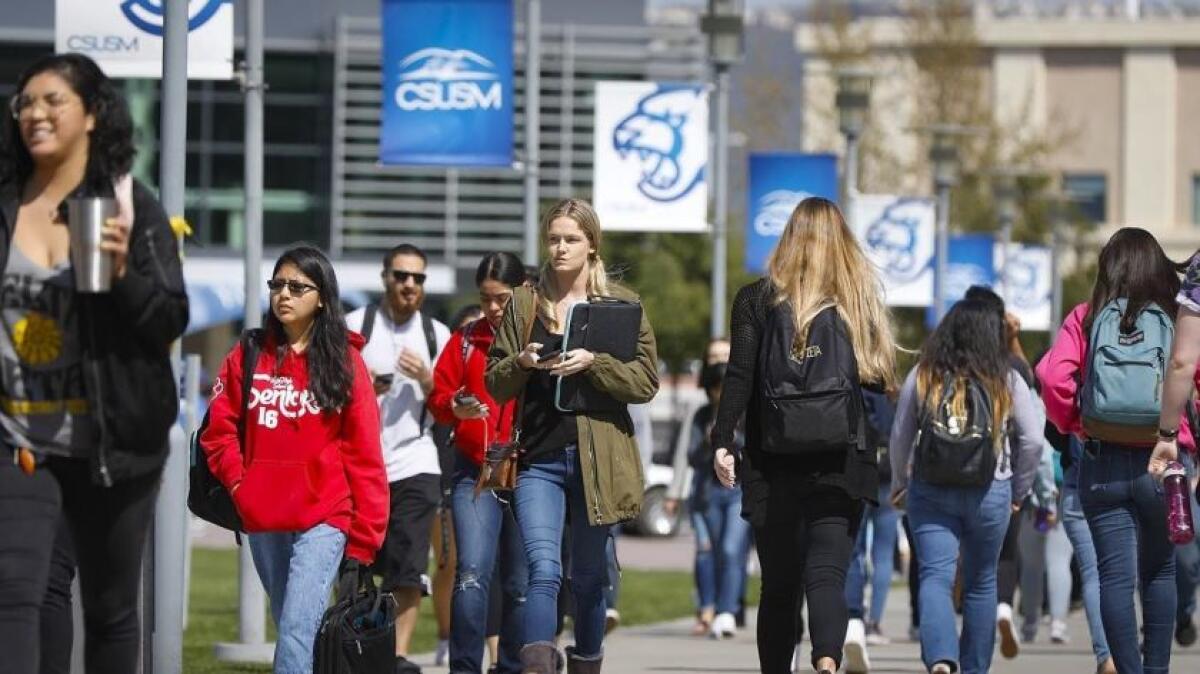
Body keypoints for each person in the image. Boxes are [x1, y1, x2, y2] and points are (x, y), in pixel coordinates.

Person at [0, 53, 188, 674]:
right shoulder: (5, 206)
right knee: (17, 594)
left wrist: (124, 275)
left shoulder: (130, 205)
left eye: (53, 100)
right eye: (26, 102)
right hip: (19, 439)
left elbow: (169, 318)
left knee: (109, 610)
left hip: (114, 441)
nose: (35, 113)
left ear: (91, 114)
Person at [712, 197, 899, 674]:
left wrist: (721, 440)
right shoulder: (857, 297)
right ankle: (827, 664)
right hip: (841, 457)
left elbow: (739, 375)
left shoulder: (756, 299)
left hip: (771, 459)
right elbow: (880, 376)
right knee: (827, 575)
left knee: (778, 587)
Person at [486, 197, 659, 674]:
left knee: (587, 579)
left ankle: (585, 663)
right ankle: (539, 666)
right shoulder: (524, 302)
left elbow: (645, 383)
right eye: (554, 238)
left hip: (597, 461)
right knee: (543, 571)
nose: (560, 248)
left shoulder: (621, 306)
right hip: (538, 459)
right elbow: (493, 381)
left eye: (571, 239)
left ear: (592, 246)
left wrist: (595, 363)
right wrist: (519, 363)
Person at [201, 245, 389, 673]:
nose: (283, 294)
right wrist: (238, 485)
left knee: (296, 629)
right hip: (263, 514)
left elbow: (364, 455)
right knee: (290, 620)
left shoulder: (345, 361)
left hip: (325, 515)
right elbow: (219, 431)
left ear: (322, 296)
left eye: (297, 286)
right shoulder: (248, 353)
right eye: (277, 285)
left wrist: (366, 537)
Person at [1037, 227, 1191, 674]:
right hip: (1163, 462)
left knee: (1114, 578)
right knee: (1160, 573)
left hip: (1101, 460)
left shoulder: (1086, 317)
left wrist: (1073, 425)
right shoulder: (1178, 318)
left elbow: (1051, 378)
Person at [890, 299, 1043, 674]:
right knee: (980, 582)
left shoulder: (924, 373)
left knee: (935, 576)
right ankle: (974, 667)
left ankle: (941, 658)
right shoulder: (1005, 377)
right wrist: (1020, 490)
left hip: (931, 487)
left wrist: (899, 482)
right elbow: (1033, 439)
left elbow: (900, 435)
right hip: (992, 490)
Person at [346, 243, 452, 674]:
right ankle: (355, 649)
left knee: (408, 568)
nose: (409, 284)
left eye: (418, 278)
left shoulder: (437, 335)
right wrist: (362, 390)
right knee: (355, 568)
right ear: (385, 277)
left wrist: (427, 379)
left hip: (416, 460)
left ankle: (397, 657)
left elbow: (447, 408)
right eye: (401, 275)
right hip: (361, 464)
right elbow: (329, 393)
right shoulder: (355, 326)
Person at [428, 252, 529, 674]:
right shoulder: (465, 340)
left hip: (530, 474)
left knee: (521, 584)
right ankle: (465, 667)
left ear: (524, 293)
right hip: (477, 469)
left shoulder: (541, 337)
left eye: (502, 299)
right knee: (471, 572)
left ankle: (510, 665)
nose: (492, 308)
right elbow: (438, 397)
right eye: (486, 298)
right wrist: (456, 407)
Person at [666, 338, 733, 637]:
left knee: (730, 551)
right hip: (704, 490)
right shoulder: (700, 411)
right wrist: (674, 492)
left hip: (735, 489)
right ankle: (708, 607)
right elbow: (685, 453)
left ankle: (728, 610)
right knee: (706, 550)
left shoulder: (746, 407)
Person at [431, 304, 484, 667]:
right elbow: (435, 401)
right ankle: (447, 636)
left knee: (490, 573)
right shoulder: (455, 354)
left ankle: (498, 655)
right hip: (451, 473)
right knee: (452, 564)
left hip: (496, 470)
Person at [842, 388, 899, 673]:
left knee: (855, 549)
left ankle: (856, 617)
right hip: (887, 474)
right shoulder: (890, 392)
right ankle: (875, 620)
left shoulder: (850, 385)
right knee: (885, 553)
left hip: (858, 472)